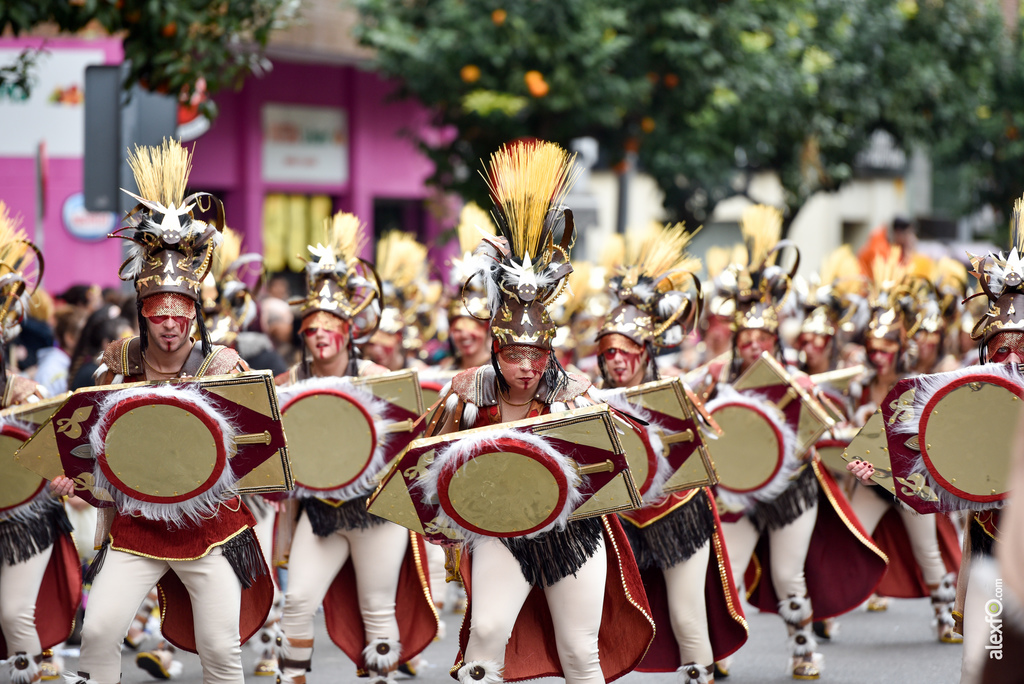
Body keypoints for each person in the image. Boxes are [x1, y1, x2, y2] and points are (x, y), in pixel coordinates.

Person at [424, 140, 655, 684]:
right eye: (512, 355)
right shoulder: (465, 392)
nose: (525, 368)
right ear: (496, 351)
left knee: (580, 652)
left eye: (535, 355)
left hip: (572, 530)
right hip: (502, 528)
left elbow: (614, 466)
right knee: (483, 642)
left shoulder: (576, 392)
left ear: (549, 352)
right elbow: (427, 470)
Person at [51, 140, 273, 684]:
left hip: (211, 527)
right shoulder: (119, 362)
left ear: (194, 314)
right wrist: (73, 475)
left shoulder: (224, 365)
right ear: (143, 314)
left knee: (221, 650)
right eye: (158, 312)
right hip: (136, 527)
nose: (169, 323)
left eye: (179, 312)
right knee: (100, 633)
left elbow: (260, 451)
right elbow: (90, 437)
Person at [696, 204, 887, 680]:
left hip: (791, 490)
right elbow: (688, 403)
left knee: (788, 578)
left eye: (763, 336)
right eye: (747, 336)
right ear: (738, 337)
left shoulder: (796, 376)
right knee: (727, 571)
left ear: (775, 337)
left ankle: (803, 648)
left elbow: (822, 422)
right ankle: (719, 654)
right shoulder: (717, 372)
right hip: (737, 488)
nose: (754, 345)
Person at [275, 211, 437, 684]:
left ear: (348, 331)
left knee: (377, 608)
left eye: (329, 326)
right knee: (297, 602)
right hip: (319, 514)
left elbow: (414, 441)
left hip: (374, 513)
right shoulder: (288, 384)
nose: (319, 334)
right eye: (310, 328)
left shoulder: (378, 382)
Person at [595, 222, 747, 684]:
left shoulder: (676, 391)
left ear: (646, 350)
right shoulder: (591, 400)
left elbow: (707, 449)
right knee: (598, 617)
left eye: (626, 351)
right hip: (621, 516)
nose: (616, 360)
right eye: (608, 353)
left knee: (685, 616)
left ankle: (700, 672)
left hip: (680, 512)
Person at [844, 251, 961, 638]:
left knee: (928, 552)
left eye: (885, 349)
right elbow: (850, 435)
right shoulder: (859, 383)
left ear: (899, 348)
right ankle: (825, 613)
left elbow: (929, 433)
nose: (877, 357)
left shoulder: (915, 382)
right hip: (874, 481)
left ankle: (946, 615)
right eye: (872, 348)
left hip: (910, 480)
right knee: (851, 538)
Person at [0, 202, 81, 684]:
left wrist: (59, 469)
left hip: (24, 511)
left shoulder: (24, 389)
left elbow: (56, 437)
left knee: (14, 615)